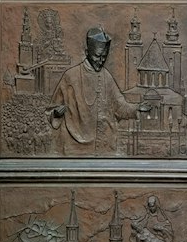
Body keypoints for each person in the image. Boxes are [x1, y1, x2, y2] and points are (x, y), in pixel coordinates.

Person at [49, 26, 145, 154]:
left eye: (104, 57)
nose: (101, 61)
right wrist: (56, 113)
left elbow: (120, 105)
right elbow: (51, 109)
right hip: (75, 147)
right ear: (87, 52)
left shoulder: (107, 77)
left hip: (104, 146)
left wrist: (136, 108)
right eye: (97, 56)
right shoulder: (70, 76)